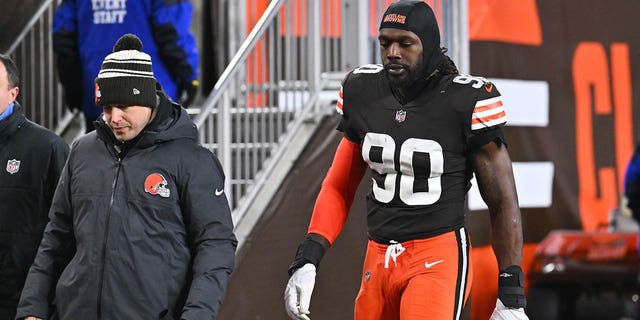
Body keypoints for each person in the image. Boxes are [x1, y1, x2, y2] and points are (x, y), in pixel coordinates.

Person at [284, 1, 528, 320]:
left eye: (405, 42)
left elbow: (502, 200)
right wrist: (308, 258)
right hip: (378, 255)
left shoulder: (464, 100)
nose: (393, 52)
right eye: (385, 42)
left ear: (427, 45)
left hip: (438, 253)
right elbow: (338, 186)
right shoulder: (362, 90)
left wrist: (511, 293)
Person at [15, 34, 236, 320]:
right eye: (107, 108)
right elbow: (56, 237)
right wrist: (32, 308)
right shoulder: (82, 151)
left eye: (123, 107)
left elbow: (215, 246)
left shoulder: (192, 161)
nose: (114, 117)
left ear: (147, 101)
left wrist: (197, 315)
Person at [52, 0, 200, 132]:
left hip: (100, 94)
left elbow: (64, 39)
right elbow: (174, 33)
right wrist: (188, 76)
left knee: (101, 157)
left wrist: (73, 88)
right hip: (151, 96)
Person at [0, 54, 69, 320]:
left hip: (24, 304)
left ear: (13, 92)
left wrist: (43, 302)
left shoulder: (47, 148)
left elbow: (67, 232)